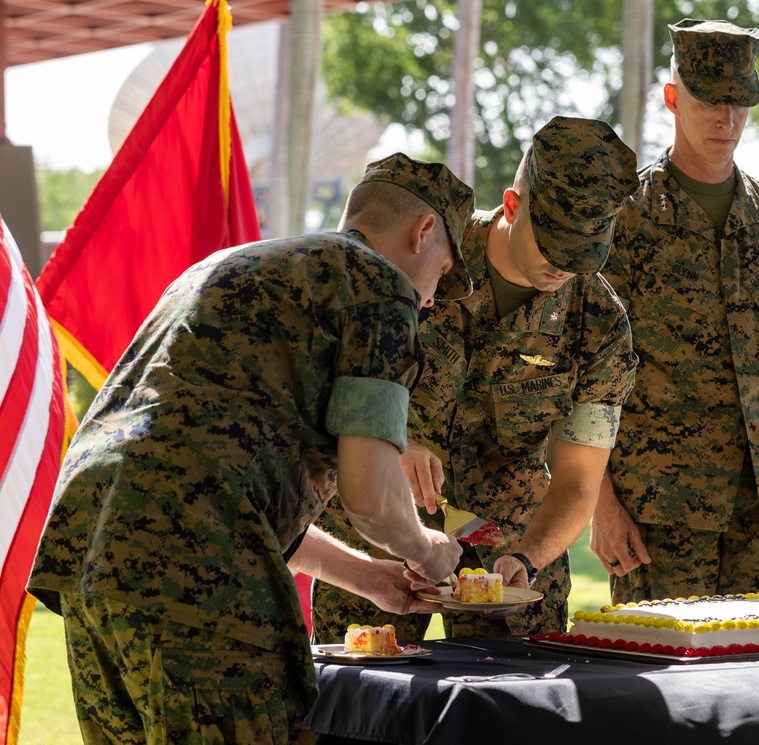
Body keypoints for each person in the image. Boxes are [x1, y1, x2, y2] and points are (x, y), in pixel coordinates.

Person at [27, 153, 475, 745]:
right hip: (198, 582)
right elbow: (370, 493)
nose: (433, 299)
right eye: (442, 274)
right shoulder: (379, 287)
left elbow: (214, 481)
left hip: (93, 561)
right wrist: (428, 549)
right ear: (423, 232)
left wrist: (367, 577)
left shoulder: (234, 266)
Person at [311, 116, 640, 642]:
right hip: (381, 522)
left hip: (510, 545)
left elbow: (579, 480)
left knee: (516, 710)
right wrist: (399, 440)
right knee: (363, 699)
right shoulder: (424, 250)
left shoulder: (598, 322)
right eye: (552, 246)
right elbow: (335, 372)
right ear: (513, 205)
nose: (562, 268)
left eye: (580, 256)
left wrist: (527, 560)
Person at [592, 19, 759, 604]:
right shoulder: (625, 220)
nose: (725, 120)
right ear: (673, 97)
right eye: (709, 100)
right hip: (658, 512)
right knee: (667, 681)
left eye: (738, 103)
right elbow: (585, 375)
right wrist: (600, 505)